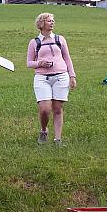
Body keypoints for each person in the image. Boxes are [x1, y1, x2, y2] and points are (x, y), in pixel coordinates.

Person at [26, 13, 76, 146]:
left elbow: (67, 58)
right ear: (41, 24)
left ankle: (58, 139)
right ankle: (43, 130)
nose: (52, 23)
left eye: (53, 20)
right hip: (42, 78)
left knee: (58, 109)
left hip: (61, 77)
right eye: (49, 21)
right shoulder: (34, 42)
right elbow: (29, 63)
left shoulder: (60, 39)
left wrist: (72, 76)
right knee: (45, 109)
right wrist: (40, 63)